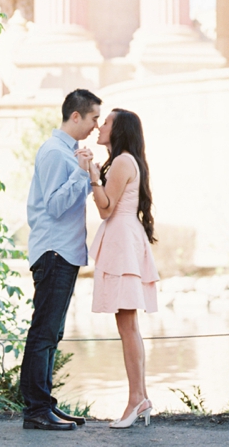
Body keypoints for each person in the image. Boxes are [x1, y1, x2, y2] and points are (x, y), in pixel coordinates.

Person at [19, 88, 102, 431]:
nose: (97, 125)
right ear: (76, 116)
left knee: (52, 332)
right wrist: (82, 174)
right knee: (43, 332)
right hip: (54, 251)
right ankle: (36, 411)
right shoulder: (54, 152)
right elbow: (54, 206)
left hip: (63, 252)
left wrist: (83, 170)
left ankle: (45, 406)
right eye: (94, 118)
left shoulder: (68, 153)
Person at [85, 108, 159, 429]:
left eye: (106, 122)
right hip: (124, 240)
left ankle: (136, 400)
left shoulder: (122, 161)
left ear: (118, 130)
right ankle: (139, 397)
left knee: (127, 326)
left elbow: (105, 208)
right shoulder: (125, 161)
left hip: (123, 242)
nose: (100, 126)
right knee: (127, 325)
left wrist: (91, 173)